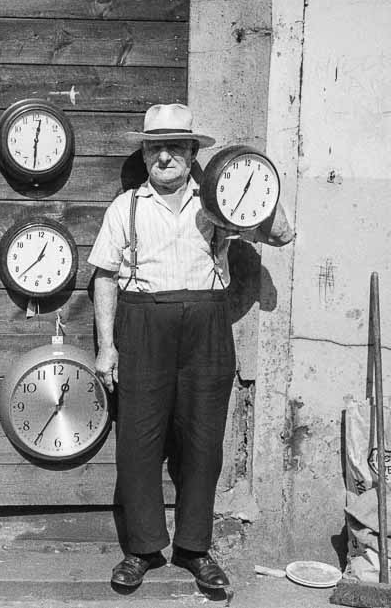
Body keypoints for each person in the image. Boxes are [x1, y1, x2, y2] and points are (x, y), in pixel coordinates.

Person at [88, 103, 294, 591]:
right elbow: (103, 278)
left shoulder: (218, 199)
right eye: (156, 147)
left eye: (176, 146)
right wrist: (105, 348)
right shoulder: (126, 207)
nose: (165, 156)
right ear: (144, 153)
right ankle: (141, 550)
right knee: (138, 443)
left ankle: (195, 549)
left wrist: (255, 177)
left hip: (207, 327)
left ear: (192, 151)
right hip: (142, 324)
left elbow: (282, 234)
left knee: (204, 441)